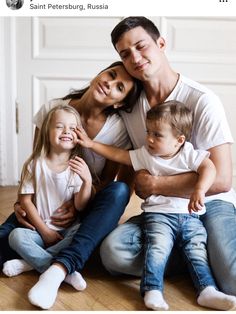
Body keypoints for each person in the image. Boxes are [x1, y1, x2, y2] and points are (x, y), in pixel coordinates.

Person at [99, 16, 236, 301]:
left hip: (209, 203)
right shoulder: (129, 106)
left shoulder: (202, 100)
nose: (135, 58)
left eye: (141, 46)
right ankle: (197, 256)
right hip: (162, 211)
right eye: (125, 54)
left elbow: (222, 179)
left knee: (233, 280)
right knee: (113, 254)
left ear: (161, 43)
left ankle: (205, 256)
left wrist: (156, 185)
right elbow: (126, 159)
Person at [0, 61, 142, 309]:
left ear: (120, 102)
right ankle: (44, 261)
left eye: (119, 87)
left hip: (85, 201)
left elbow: (108, 182)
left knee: (117, 191)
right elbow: (38, 161)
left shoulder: (118, 129)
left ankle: (57, 265)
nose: (109, 84)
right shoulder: (53, 109)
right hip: (45, 204)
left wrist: (78, 204)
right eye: (110, 74)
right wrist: (24, 202)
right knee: (6, 241)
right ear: (100, 72)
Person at [76, 100, 236, 311]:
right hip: (159, 216)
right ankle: (152, 289)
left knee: (197, 250)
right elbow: (119, 155)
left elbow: (209, 168)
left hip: (190, 216)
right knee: (157, 248)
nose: (149, 138)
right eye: (148, 131)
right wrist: (90, 144)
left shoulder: (188, 153)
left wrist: (199, 189)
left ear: (179, 140)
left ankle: (206, 291)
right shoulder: (146, 155)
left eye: (157, 135)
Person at [3, 104, 92, 291]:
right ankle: (63, 271)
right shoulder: (34, 165)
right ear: (46, 132)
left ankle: (27, 264)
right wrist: (45, 231)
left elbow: (80, 206)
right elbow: (25, 200)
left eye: (73, 128)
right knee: (15, 236)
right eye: (59, 126)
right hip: (39, 230)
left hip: (66, 232)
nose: (66, 131)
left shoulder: (77, 166)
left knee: (82, 233)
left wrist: (87, 181)